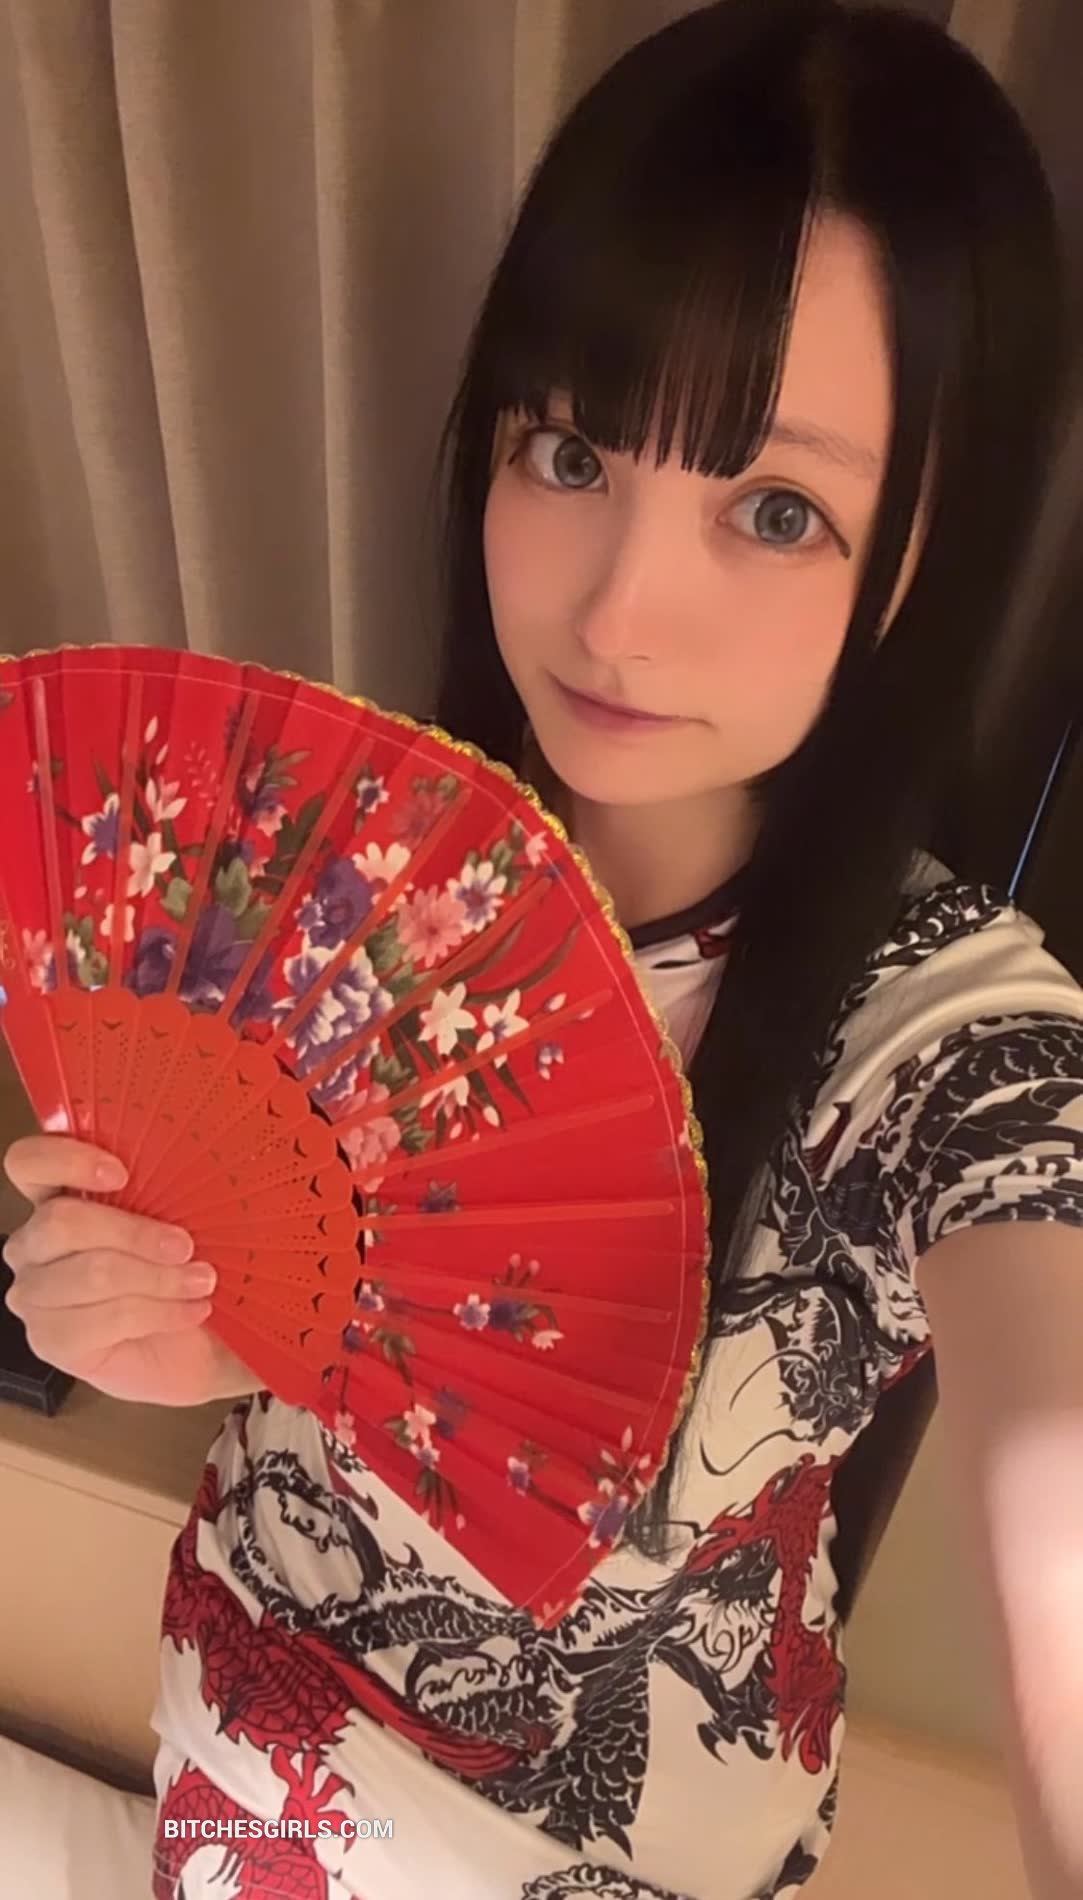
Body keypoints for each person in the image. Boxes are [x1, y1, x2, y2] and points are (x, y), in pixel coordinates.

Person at [4, 2, 1083, 1896]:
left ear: (925, 547)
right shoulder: (327, 864)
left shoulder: (941, 1039)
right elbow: (302, 1344)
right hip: (234, 1744)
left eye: (775, 509)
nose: (617, 614)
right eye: (571, 451)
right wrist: (189, 1337)